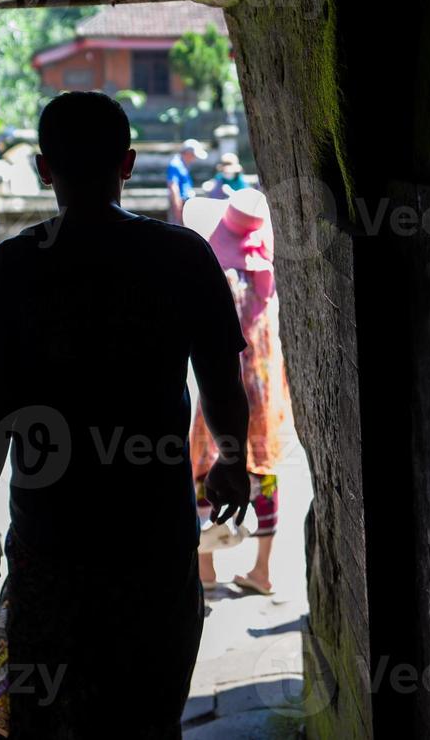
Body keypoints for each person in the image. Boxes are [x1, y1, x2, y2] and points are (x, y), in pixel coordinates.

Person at [0, 91, 253, 739]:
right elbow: (222, 383)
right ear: (128, 163)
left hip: (50, 536)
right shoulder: (181, 258)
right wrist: (234, 460)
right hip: (152, 537)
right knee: (143, 715)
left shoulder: (11, 268)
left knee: (45, 718)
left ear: (42, 169)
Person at [183, 188, 294, 596]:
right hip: (264, 392)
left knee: (202, 466)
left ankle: (206, 564)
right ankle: (261, 569)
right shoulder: (265, 268)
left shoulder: (218, 277)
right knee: (262, 471)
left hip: (223, 389)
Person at [165, 138, 208, 222]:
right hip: (179, 206)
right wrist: (178, 210)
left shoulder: (183, 165)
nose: (194, 158)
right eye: (194, 155)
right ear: (188, 153)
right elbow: (173, 188)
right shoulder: (175, 165)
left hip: (185, 205)